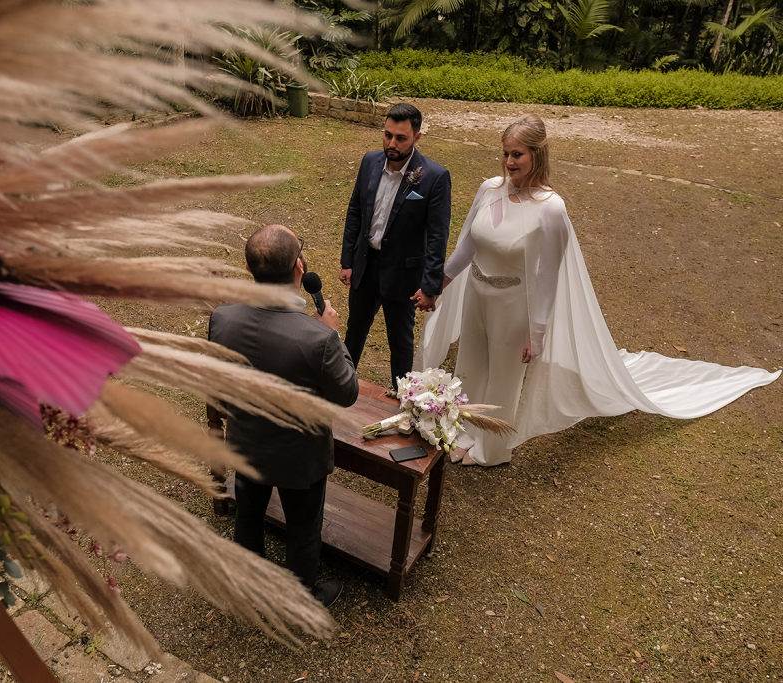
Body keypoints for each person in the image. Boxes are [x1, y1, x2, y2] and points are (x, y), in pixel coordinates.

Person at [417, 114, 780, 467]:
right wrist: (436, 287)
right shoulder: (489, 190)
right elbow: (466, 247)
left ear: (536, 155)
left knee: (503, 378)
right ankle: (463, 433)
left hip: (514, 305)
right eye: (506, 153)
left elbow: (549, 277)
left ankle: (490, 449)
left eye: (518, 154)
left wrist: (537, 333)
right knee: (470, 366)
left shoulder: (551, 209)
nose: (509, 161)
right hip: (477, 294)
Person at [209, 224, 360, 607]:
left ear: (249, 270)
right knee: (303, 529)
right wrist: (334, 336)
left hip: (245, 443)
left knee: (248, 515)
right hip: (300, 455)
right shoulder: (318, 338)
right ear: (299, 267)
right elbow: (346, 394)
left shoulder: (223, 319)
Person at [339, 103, 451, 391]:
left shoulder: (435, 177)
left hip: (403, 274)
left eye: (400, 138)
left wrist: (430, 286)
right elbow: (356, 211)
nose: (392, 143)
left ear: (416, 137)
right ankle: (340, 388)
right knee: (354, 333)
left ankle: (404, 401)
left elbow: (438, 237)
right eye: (387, 135)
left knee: (400, 343)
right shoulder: (369, 162)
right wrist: (348, 261)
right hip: (366, 265)